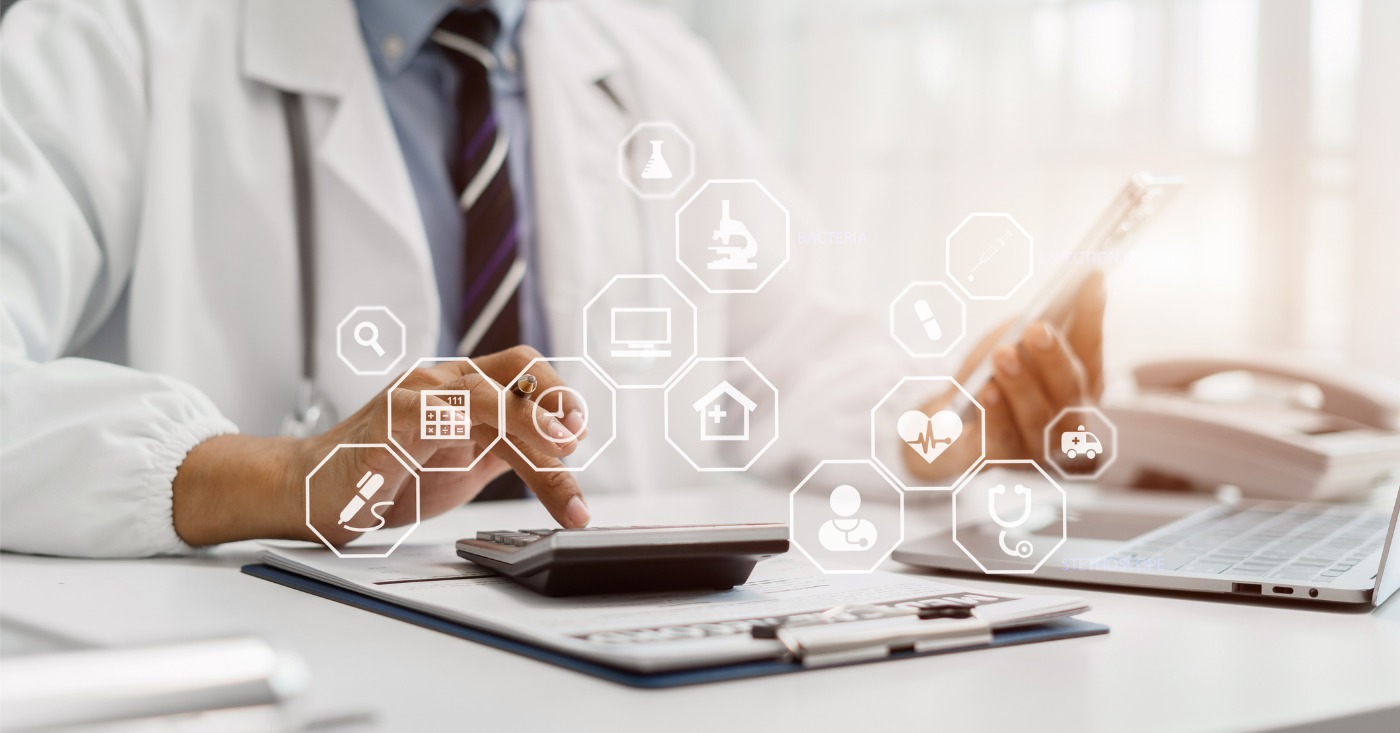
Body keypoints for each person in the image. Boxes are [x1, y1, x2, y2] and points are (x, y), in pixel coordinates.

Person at [0, 0, 1103, 558]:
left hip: (615, 679)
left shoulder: (654, 66)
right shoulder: (107, 44)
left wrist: (949, 431)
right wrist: (272, 476)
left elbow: (805, 362)